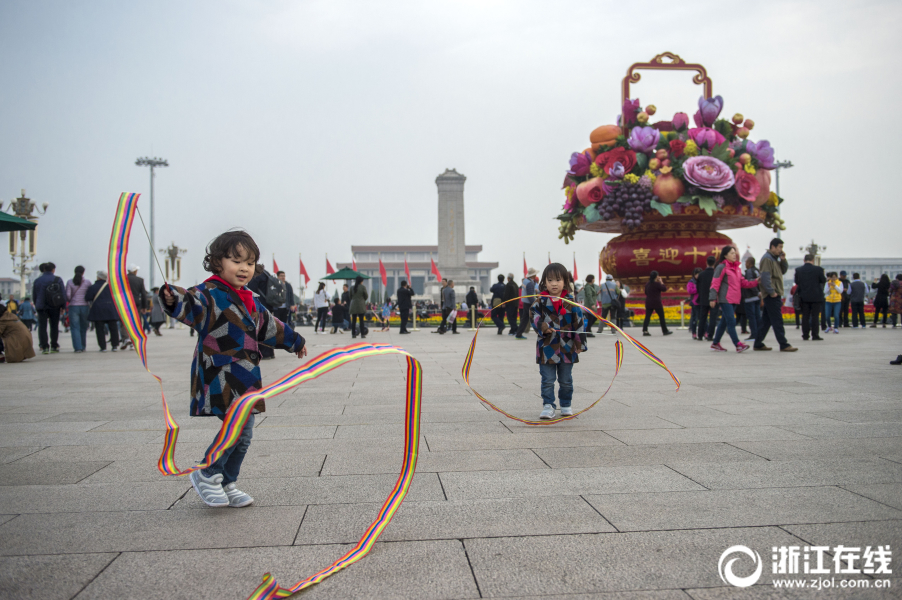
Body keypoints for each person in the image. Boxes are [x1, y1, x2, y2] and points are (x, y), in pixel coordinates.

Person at [160, 230, 306, 509]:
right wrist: (172, 300)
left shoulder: (248, 297)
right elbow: (189, 305)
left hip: (245, 374)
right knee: (236, 427)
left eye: (249, 263)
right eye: (236, 261)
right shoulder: (209, 293)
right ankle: (208, 473)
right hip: (219, 373)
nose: (244, 268)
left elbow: (268, 324)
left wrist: (295, 340)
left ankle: (227, 481)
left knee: (244, 431)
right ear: (217, 263)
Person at [531, 263, 587, 420]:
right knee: (547, 380)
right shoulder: (540, 302)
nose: (554, 283)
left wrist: (580, 344)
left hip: (567, 348)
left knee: (566, 380)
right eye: (549, 280)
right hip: (547, 347)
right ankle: (548, 406)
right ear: (544, 282)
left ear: (565, 282)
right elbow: (533, 316)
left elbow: (579, 322)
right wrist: (543, 326)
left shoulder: (571, 301)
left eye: (558, 280)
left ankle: (566, 404)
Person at [708, 246, 758, 353]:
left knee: (724, 322)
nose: (734, 255)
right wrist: (712, 298)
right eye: (731, 253)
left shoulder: (737, 269)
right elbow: (715, 283)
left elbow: (743, 283)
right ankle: (738, 344)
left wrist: (756, 281)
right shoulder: (721, 267)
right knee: (731, 321)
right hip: (725, 299)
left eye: (735, 253)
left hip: (735, 299)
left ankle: (715, 343)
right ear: (725, 255)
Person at [754, 238, 797, 352]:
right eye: (779, 247)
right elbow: (765, 277)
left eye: (782, 247)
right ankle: (784, 344)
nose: (781, 250)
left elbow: (782, 271)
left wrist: (783, 260)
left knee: (766, 321)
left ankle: (758, 343)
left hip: (774, 293)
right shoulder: (767, 259)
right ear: (772, 247)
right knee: (777, 320)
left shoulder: (775, 259)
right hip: (772, 294)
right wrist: (771, 292)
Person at [32, 261, 66, 354]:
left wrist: (36, 305)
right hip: (55, 306)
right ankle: (54, 346)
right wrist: (63, 306)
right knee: (54, 326)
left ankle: (44, 346)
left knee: (42, 327)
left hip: (41, 307)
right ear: (53, 270)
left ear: (43, 270)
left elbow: (34, 295)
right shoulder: (57, 279)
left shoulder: (37, 280)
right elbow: (63, 293)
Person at [85, 271, 120, 352]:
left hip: (98, 310)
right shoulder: (112, 286)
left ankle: (103, 346)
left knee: (99, 329)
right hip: (111, 309)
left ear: (98, 277)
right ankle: (114, 345)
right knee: (113, 328)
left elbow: (88, 297)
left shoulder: (93, 287)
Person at [794, 254, 827, 341]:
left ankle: (805, 335)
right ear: (813, 260)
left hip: (803, 297)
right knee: (815, 316)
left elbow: (796, 281)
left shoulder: (798, 270)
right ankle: (815, 335)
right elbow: (823, 280)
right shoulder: (818, 269)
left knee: (805, 316)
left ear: (804, 260)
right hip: (816, 296)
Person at [119, 265, 148, 350]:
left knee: (124, 321)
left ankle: (126, 338)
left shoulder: (122, 279)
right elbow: (143, 294)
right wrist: (144, 306)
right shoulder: (140, 280)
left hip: (124, 302)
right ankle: (133, 341)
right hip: (136, 303)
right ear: (135, 271)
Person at [65, 265, 92, 353]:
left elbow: (68, 296)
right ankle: (83, 346)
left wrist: (71, 300)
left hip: (73, 307)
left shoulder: (70, 282)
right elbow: (90, 295)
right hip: (85, 306)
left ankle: (77, 347)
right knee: (83, 327)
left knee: (75, 327)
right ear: (83, 272)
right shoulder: (87, 282)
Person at [642, 271, 671, 336]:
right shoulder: (657, 284)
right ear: (656, 276)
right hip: (656, 302)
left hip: (649, 302)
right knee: (661, 317)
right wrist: (661, 282)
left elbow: (646, 292)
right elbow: (664, 289)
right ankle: (665, 330)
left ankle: (645, 330)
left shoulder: (647, 284)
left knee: (647, 317)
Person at [695, 256, 717, 341]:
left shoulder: (701, 275)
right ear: (714, 263)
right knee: (712, 318)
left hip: (703, 299)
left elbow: (698, 288)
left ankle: (700, 335)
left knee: (702, 318)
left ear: (706, 263)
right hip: (714, 299)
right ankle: (710, 335)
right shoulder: (716, 274)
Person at [515, 268, 540, 339]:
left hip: (525, 302)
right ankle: (541, 331)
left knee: (525, 318)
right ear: (533, 275)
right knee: (535, 317)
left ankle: (518, 333)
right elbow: (530, 295)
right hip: (529, 303)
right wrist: (535, 303)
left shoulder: (525, 281)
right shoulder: (530, 283)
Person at [742, 256, 761, 342]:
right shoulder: (757, 270)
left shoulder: (749, 272)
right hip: (757, 297)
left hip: (750, 298)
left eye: (746, 262)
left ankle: (754, 334)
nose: (745, 264)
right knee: (757, 316)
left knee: (751, 317)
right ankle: (758, 334)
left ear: (749, 263)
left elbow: (750, 283)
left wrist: (756, 292)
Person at [580, 274, 599, 338]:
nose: (594, 280)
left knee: (593, 318)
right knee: (591, 318)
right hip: (589, 305)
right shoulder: (588, 287)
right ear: (591, 279)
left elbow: (593, 294)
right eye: (593, 278)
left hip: (592, 304)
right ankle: (588, 331)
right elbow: (589, 295)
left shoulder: (591, 286)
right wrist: (592, 304)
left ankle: (588, 330)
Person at [687, 268, 701, 339]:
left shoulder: (703, 281)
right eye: (697, 274)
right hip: (695, 302)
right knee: (695, 318)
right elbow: (690, 290)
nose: (698, 276)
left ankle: (704, 332)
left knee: (703, 318)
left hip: (702, 301)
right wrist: (698, 289)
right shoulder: (691, 282)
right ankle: (694, 332)